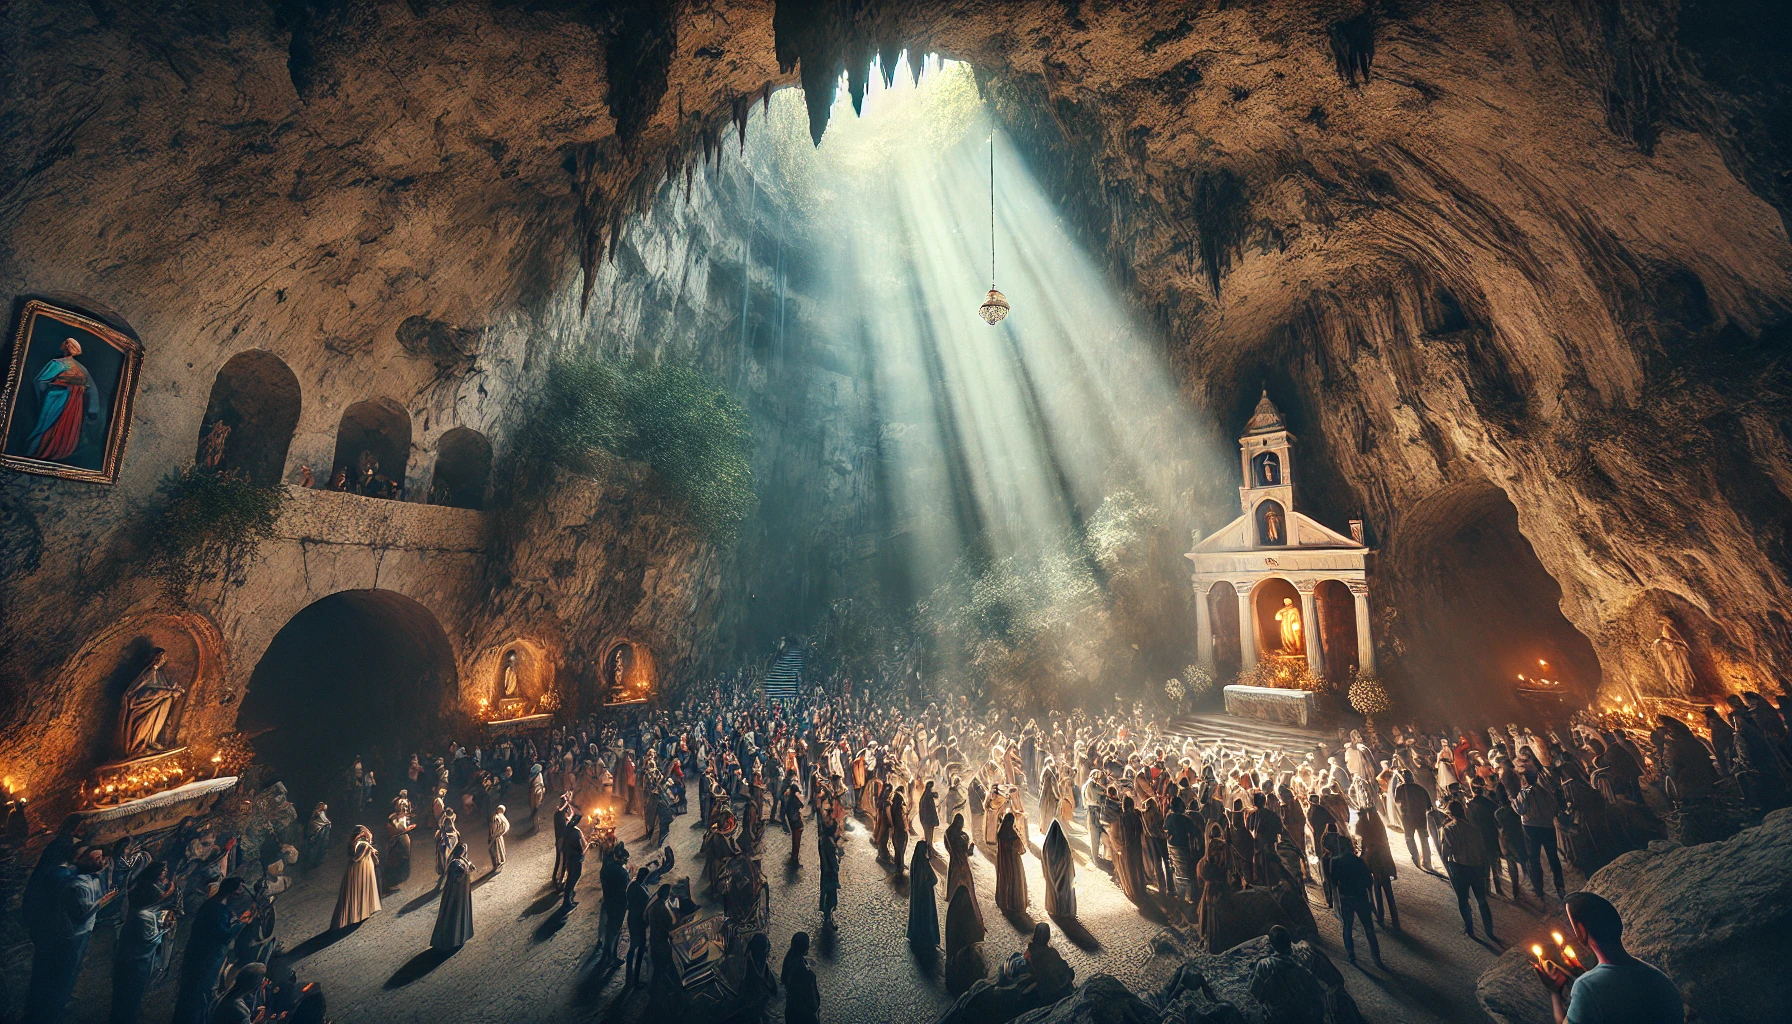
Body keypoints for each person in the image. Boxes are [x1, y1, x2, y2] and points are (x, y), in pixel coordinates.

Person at [1534, 891, 1683, 1024]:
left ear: (1582, 931)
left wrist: (1555, 992)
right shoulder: (1657, 976)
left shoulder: (1587, 987)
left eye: (1573, 925)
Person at [28, 843, 111, 1024]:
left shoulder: (89, 877)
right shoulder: (72, 881)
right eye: (95, 859)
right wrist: (102, 902)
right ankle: (49, 1012)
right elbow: (81, 914)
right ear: (79, 860)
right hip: (69, 936)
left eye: (101, 857)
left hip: (80, 933)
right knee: (60, 974)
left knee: (70, 971)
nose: (101, 862)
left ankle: (57, 1005)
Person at [170, 877, 252, 1024]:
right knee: (197, 995)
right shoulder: (217, 909)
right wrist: (241, 924)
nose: (241, 892)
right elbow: (223, 935)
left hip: (202, 955)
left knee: (195, 995)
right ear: (231, 891)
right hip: (205, 959)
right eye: (239, 888)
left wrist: (234, 921)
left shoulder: (217, 905)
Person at [111, 873, 174, 1024]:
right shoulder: (144, 917)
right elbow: (150, 939)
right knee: (131, 995)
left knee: (124, 997)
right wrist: (164, 929)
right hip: (135, 963)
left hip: (127, 959)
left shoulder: (138, 913)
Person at [1440, 799, 1496, 939]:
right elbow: (1482, 850)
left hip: (1459, 868)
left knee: (1463, 900)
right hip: (1476, 868)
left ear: (1450, 814)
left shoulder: (1448, 830)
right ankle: (1489, 931)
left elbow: (1445, 853)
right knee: (1482, 901)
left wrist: (1449, 869)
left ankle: (1470, 929)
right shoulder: (1474, 829)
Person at [1248, 925, 1326, 1024]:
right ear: (1290, 941)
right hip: (1303, 1018)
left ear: (1272, 944)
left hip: (1277, 1019)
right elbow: (1318, 998)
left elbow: (1255, 995)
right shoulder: (1304, 966)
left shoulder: (1264, 966)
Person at [1328, 837, 1384, 968]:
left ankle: (1351, 955)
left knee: (1347, 926)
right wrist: (1371, 901)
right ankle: (1376, 958)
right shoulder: (1359, 861)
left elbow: (1334, 882)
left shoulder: (1335, 862)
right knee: (1369, 928)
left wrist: (1334, 898)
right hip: (1360, 897)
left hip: (1345, 898)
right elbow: (1369, 881)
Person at [1514, 772, 1566, 901]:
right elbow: (1555, 807)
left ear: (1525, 780)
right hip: (1548, 827)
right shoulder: (1545, 791)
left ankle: (1539, 889)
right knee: (1553, 857)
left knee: (1534, 859)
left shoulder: (1524, 793)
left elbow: (1520, 810)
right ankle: (1560, 887)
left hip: (1531, 828)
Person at [1356, 805, 1398, 931]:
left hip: (1374, 866)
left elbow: (1364, 850)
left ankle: (1380, 916)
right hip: (1384, 865)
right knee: (1389, 894)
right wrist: (1392, 870)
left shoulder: (1363, 830)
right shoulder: (1379, 830)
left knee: (1378, 893)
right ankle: (1395, 920)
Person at [331, 825, 381, 929]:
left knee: (363, 889)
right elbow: (355, 857)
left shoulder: (365, 844)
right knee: (356, 890)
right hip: (358, 870)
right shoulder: (361, 845)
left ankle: (363, 911)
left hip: (364, 869)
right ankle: (357, 914)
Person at [431, 842, 475, 950]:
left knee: (461, 911)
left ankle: (461, 936)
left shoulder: (463, 861)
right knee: (453, 912)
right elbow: (456, 878)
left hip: (462, 892)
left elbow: (470, 869)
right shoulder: (454, 864)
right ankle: (451, 939)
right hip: (454, 894)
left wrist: (469, 867)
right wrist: (466, 871)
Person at [1394, 771, 1434, 870]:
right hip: (1421, 818)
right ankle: (1427, 861)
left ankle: (1416, 860)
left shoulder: (1400, 788)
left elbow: (1396, 800)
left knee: (1409, 838)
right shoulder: (1420, 788)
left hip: (1407, 818)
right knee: (1424, 839)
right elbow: (1429, 806)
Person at [781, 931, 821, 1024]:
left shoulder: (789, 960)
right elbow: (811, 997)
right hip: (803, 1014)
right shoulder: (805, 972)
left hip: (791, 1010)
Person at [599, 843, 629, 964]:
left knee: (607, 927)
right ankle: (611, 957)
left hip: (607, 900)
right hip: (618, 904)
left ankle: (605, 950)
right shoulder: (622, 873)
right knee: (615, 930)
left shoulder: (606, 867)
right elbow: (624, 890)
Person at [908, 840, 941, 950]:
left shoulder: (914, 861)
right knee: (926, 916)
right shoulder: (924, 863)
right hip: (926, 895)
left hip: (916, 895)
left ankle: (916, 937)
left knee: (917, 914)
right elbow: (934, 879)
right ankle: (927, 938)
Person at [1041, 818, 1076, 918]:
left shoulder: (1047, 845)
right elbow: (1068, 860)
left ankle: (1053, 908)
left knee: (1052, 890)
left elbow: (1044, 860)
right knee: (1063, 889)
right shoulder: (1063, 844)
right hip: (1064, 875)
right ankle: (1063, 909)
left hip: (1050, 874)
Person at [994, 812, 1027, 916]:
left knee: (1006, 879)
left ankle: (1004, 902)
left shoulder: (1000, 832)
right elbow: (1021, 850)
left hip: (1003, 860)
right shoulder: (1012, 833)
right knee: (1014, 880)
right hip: (1013, 861)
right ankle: (1014, 904)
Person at [625, 867, 651, 987]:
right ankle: (634, 979)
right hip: (638, 920)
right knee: (638, 947)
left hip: (633, 918)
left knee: (635, 946)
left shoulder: (633, 885)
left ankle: (629, 977)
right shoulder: (640, 888)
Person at [560, 811, 587, 913]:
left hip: (570, 857)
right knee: (573, 878)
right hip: (575, 858)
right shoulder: (575, 832)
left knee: (571, 878)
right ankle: (567, 902)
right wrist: (583, 852)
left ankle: (569, 899)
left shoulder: (567, 829)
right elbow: (579, 847)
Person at [303, 803, 332, 869]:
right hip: (316, 833)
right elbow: (314, 820)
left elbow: (325, 821)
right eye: (321, 805)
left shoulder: (323, 813)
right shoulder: (316, 812)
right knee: (314, 848)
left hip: (322, 832)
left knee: (321, 847)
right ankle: (310, 863)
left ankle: (317, 862)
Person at [488, 805, 510, 873]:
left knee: (494, 849)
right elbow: (505, 827)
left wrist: (492, 835)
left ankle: (498, 863)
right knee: (500, 848)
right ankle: (501, 860)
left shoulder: (496, 817)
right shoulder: (501, 817)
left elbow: (494, 828)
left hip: (496, 836)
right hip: (499, 835)